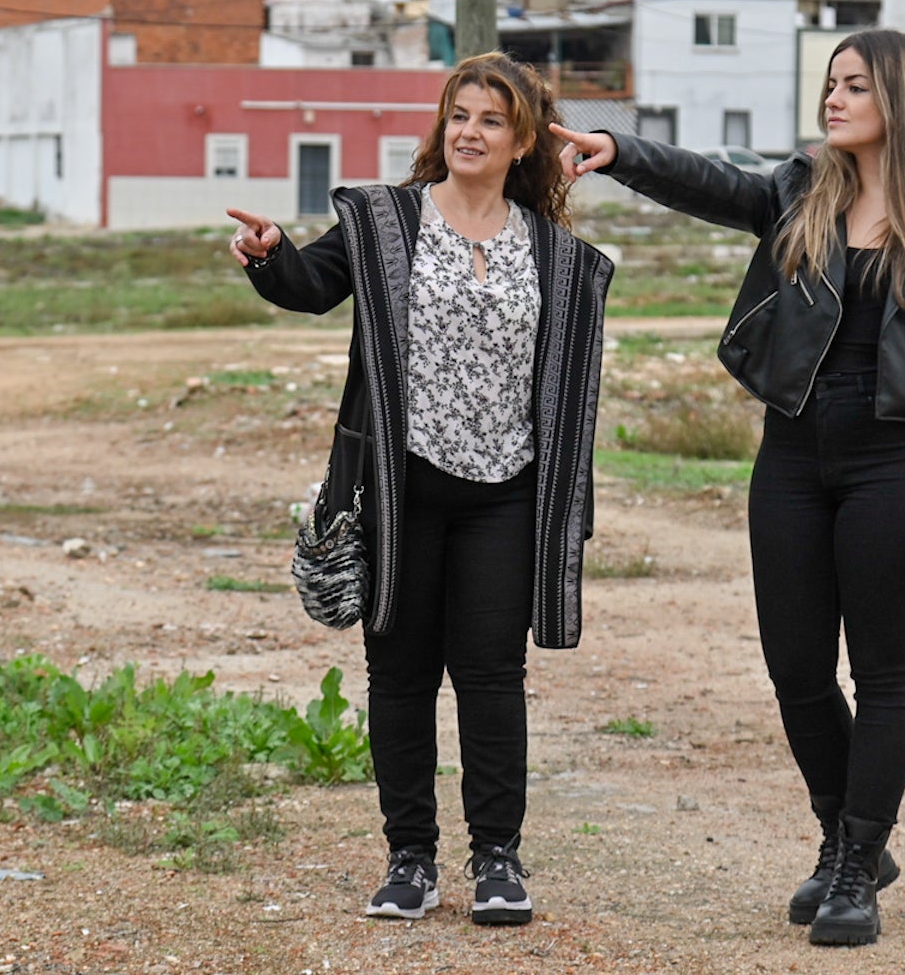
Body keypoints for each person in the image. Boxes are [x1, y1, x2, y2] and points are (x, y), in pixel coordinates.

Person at [553, 28, 905, 947]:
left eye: (853, 87)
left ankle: (852, 863)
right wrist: (621, 154)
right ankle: (850, 834)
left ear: (902, 102)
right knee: (796, 668)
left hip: (904, 462)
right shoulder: (800, 193)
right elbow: (712, 182)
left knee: (881, 672)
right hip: (795, 456)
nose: (832, 101)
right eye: (830, 85)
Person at [225, 53, 615, 926]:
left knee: (490, 675)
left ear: (521, 143)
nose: (469, 132)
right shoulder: (386, 221)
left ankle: (496, 861)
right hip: (400, 487)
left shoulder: (555, 253)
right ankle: (409, 860)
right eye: (458, 115)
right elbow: (314, 285)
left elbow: (564, 384)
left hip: (506, 491)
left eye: (490, 120)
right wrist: (270, 256)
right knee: (397, 671)